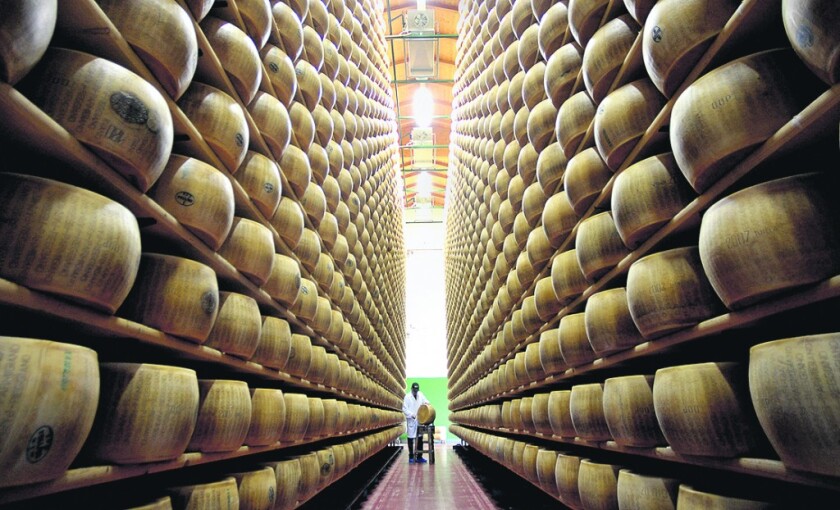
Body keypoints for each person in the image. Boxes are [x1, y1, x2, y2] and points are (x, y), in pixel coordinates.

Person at [402, 382, 429, 464]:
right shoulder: (407, 397)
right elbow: (404, 409)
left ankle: (419, 457)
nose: (415, 392)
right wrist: (411, 415)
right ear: (411, 389)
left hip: (419, 419)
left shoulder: (420, 394)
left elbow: (426, 401)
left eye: (417, 390)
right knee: (411, 438)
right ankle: (411, 456)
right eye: (414, 390)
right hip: (411, 419)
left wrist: (428, 404)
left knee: (420, 437)